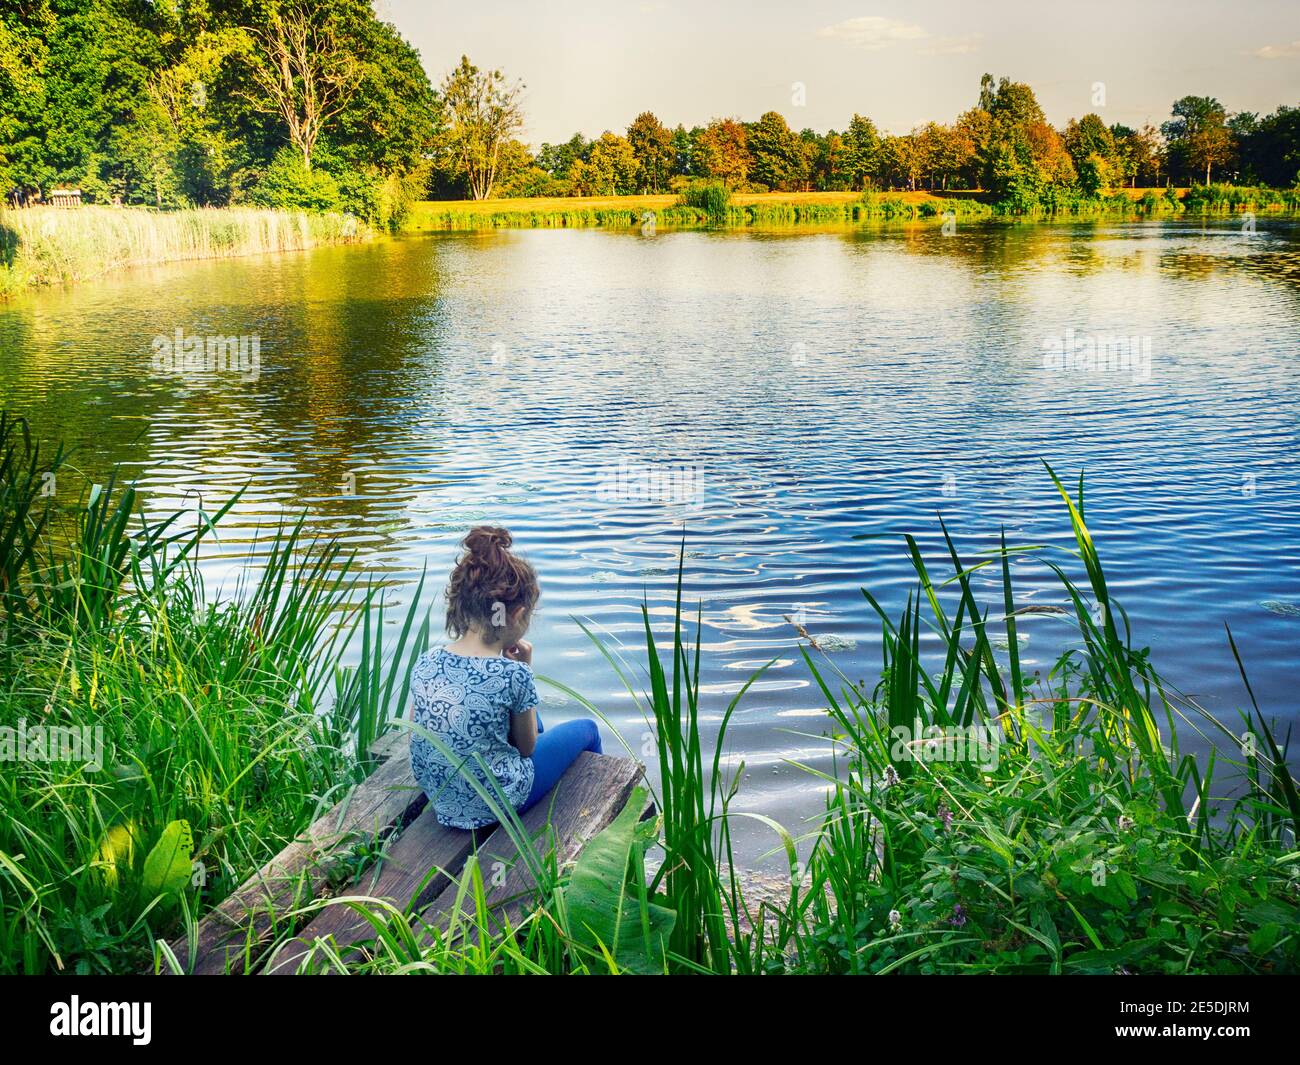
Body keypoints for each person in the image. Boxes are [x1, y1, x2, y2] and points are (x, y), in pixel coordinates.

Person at [409, 525, 602, 829]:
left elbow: (415, 733)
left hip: (442, 799)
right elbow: (527, 750)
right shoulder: (513, 674)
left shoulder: (427, 660)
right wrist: (524, 670)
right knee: (589, 730)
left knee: (521, 720)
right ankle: (591, 817)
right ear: (515, 614)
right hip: (496, 804)